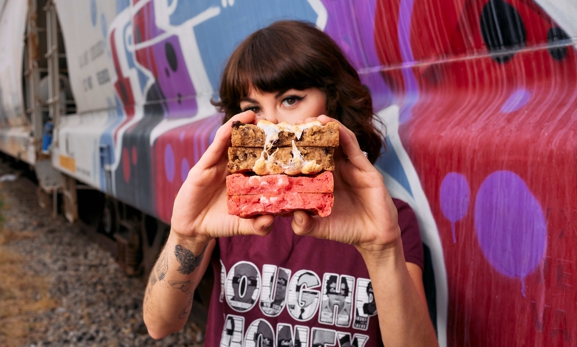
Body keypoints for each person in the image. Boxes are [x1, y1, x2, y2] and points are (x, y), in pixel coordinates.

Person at [142, 20, 438, 347]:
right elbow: (159, 325)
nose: (270, 123)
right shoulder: (228, 214)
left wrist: (382, 250)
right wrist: (187, 235)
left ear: (333, 103)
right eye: (252, 108)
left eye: (291, 100)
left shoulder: (387, 221)